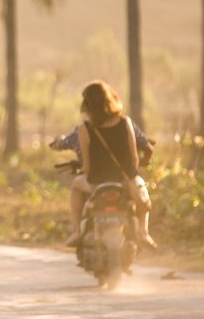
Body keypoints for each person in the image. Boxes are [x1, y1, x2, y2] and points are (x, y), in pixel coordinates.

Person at [64, 80, 155, 249]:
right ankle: (143, 233)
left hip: (96, 183)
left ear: (87, 105)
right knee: (143, 195)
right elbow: (134, 157)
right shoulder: (125, 122)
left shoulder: (84, 128)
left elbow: (87, 166)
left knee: (76, 187)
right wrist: (131, 176)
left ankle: (76, 231)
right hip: (124, 181)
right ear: (110, 99)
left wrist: (88, 172)